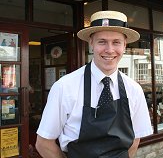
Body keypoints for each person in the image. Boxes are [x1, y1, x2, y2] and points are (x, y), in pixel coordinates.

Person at [36, 10, 153, 158]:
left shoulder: (134, 89)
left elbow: (135, 139)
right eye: (102, 42)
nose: (109, 50)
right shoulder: (64, 87)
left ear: (124, 45)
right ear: (91, 43)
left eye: (116, 42)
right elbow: (43, 143)